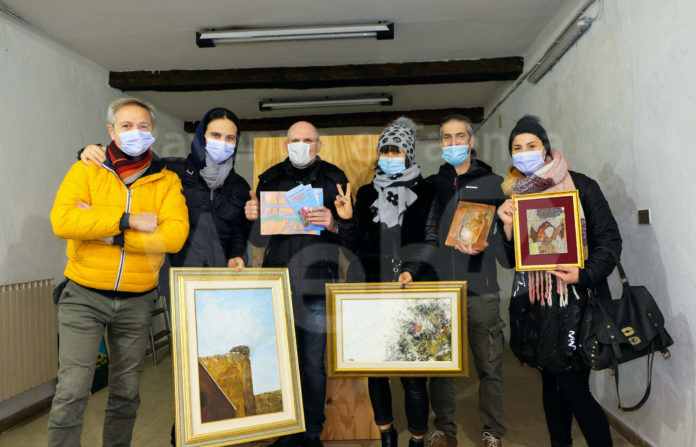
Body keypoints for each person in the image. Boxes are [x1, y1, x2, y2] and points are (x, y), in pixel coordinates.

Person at [80, 107, 252, 446]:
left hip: (221, 284)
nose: (223, 142)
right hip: (179, 279)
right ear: (201, 137)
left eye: (230, 138)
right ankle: (184, 432)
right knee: (189, 358)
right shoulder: (170, 169)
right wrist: (87, 151)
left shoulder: (239, 185)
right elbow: (126, 162)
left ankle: (215, 429)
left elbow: (238, 232)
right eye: (215, 135)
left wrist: (237, 254)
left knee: (219, 354)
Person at [48, 97, 189, 446]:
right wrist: (129, 221)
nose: (135, 132)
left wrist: (112, 236)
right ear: (111, 131)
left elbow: (174, 236)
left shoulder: (167, 181)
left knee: (126, 393)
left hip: (137, 300)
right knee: (72, 390)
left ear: (152, 131)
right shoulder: (86, 169)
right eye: (126, 126)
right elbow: (64, 221)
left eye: (143, 126)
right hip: (83, 295)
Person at [496, 115, 622, 447]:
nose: (524, 152)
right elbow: (509, 260)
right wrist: (507, 228)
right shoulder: (514, 196)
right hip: (536, 306)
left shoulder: (581, 186)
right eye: (517, 147)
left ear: (546, 148)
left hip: (578, 305)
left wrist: (584, 273)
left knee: (573, 389)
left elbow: (609, 241)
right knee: (551, 388)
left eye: (531, 145)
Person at [244, 121, 349, 447]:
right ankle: (287, 432)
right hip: (279, 285)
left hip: (317, 286)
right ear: (286, 144)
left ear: (319, 145)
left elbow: (353, 237)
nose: (301, 145)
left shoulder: (335, 179)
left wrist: (334, 224)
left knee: (313, 366)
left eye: (308, 140)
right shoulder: (269, 179)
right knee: (281, 364)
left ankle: (312, 433)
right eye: (295, 140)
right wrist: (252, 219)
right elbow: (258, 239)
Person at [337, 117, 440, 447]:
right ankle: (387, 435)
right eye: (385, 151)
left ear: (409, 154)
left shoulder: (427, 192)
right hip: (372, 292)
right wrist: (347, 220)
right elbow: (353, 248)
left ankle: (417, 439)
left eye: (396, 151)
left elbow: (431, 241)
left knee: (413, 377)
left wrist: (410, 270)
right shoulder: (367, 193)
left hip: (412, 290)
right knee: (377, 371)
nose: (390, 156)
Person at [424, 115, 511, 447]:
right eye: (447, 137)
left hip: (482, 289)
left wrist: (492, 239)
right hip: (440, 290)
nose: (454, 142)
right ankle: (445, 429)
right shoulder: (431, 186)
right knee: (441, 367)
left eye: (460, 136)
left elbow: (510, 242)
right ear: (440, 144)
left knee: (490, 366)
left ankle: (493, 431)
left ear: (472, 141)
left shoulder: (495, 184)